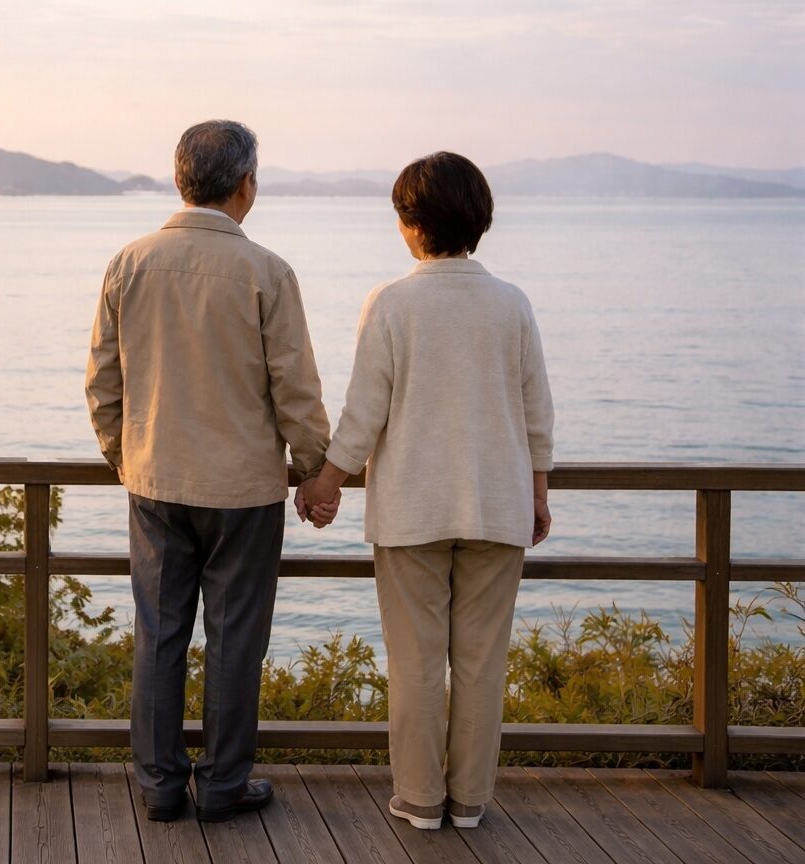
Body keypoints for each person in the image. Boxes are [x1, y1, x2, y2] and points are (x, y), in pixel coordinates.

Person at [85, 120, 332, 823]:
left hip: (155, 480)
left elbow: (103, 382)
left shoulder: (129, 263)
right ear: (247, 184)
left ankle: (160, 786)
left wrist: (125, 454)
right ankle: (224, 786)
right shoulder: (267, 273)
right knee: (235, 641)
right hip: (244, 491)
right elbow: (296, 390)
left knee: (159, 635)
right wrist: (314, 472)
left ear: (178, 180)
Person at [299, 151, 554, 830]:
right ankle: (469, 800)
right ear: (479, 221)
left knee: (415, 663)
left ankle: (419, 798)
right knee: (481, 663)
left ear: (412, 224)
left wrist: (325, 484)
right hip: (497, 505)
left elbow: (363, 414)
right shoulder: (512, 304)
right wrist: (538, 491)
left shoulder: (392, 303)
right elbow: (536, 412)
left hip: (412, 511)